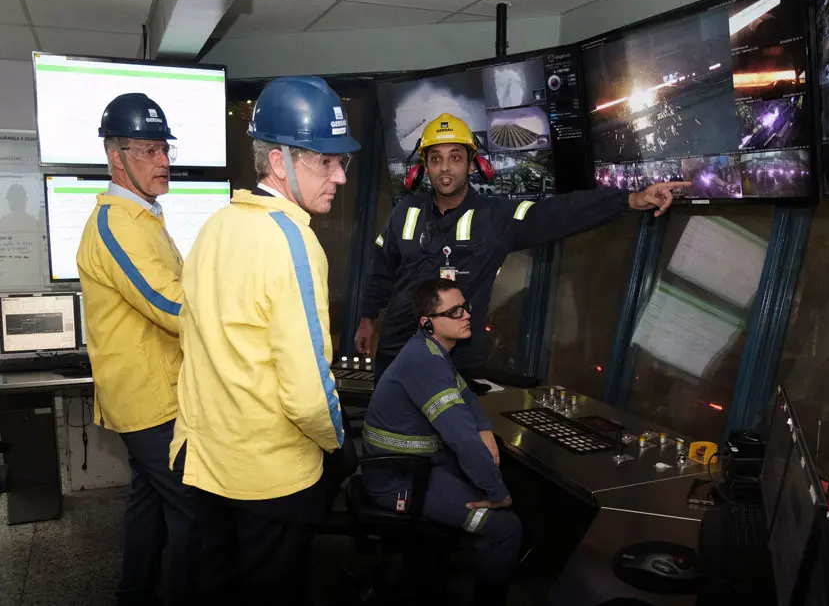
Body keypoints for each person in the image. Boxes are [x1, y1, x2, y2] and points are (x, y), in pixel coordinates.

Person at [168, 76, 359, 604]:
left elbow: (194, 342)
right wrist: (337, 441)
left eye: (341, 161)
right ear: (279, 163)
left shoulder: (215, 226)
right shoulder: (294, 243)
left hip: (207, 466)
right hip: (271, 479)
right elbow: (307, 391)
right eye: (325, 161)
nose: (339, 176)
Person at [355, 112, 690, 382]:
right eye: (436, 158)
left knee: (450, 451)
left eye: (455, 157)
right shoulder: (405, 212)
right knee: (391, 441)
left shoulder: (495, 217)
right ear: (424, 167)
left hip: (454, 363)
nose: (445, 168)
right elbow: (382, 269)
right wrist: (367, 319)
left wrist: (630, 200)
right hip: (397, 352)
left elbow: (560, 213)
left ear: (473, 165)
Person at [75, 93, 194, 605]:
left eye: (163, 148)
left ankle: (135, 594)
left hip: (160, 390)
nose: (163, 160)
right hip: (150, 403)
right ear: (114, 155)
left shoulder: (146, 217)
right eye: (147, 150)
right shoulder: (116, 223)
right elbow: (171, 309)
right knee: (196, 513)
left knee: (147, 505)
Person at [361, 277, 522, 606]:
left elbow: (468, 399)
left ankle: (425, 578)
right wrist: (497, 493)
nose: (466, 315)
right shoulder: (425, 362)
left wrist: (486, 431)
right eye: (455, 311)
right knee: (506, 526)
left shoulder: (431, 351)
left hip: (417, 470)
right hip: (399, 482)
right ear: (427, 322)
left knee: (481, 479)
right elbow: (461, 437)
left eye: (466, 307)